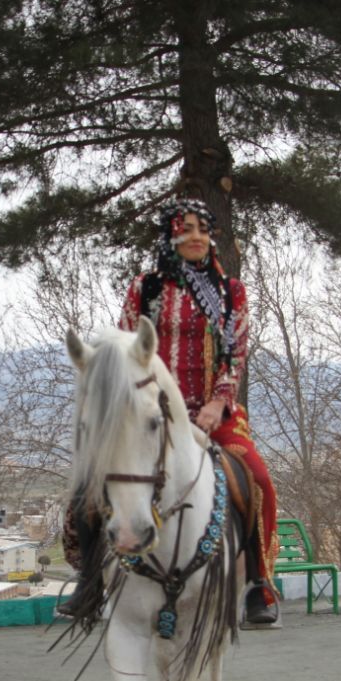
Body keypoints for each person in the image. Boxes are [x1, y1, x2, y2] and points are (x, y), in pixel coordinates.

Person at [60, 197, 279, 625]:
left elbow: (234, 356)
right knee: (90, 480)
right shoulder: (146, 288)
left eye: (203, 229)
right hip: (148, 408)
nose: (197, 237)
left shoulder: (230, 292)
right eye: (186, 228)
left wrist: (218, 402)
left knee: (257, 478)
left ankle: (258, 581)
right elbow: (126, 350)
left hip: (212, 411)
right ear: (171, 236)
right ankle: (90, 581)